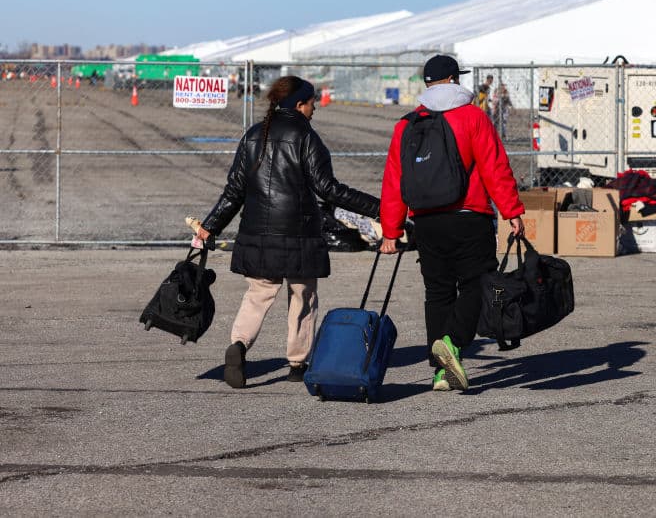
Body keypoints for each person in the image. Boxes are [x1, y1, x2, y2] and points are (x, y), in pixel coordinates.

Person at [194, 75, 381, 389]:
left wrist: (208, 227)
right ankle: (297, 362)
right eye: (311, 103)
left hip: (256, 233)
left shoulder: (253, 135)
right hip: (299, 234)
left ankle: (238, 345)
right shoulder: (307, 137)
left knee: (258, 294)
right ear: (299, 104)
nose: (314, 109)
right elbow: (329, 189)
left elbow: (233, 192)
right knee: (302, 297)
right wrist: (378, 207)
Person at [379, 54, 524, 393]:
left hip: (426, 222)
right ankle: (453, 343)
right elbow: (494, 166)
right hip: (469, 216)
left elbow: (394, 179)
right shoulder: (472, 117)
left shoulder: (406, 124)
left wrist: (391, 230)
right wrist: (511, 210)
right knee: (479, 283)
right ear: (454, 79)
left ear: (428, 83)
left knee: (438, 293)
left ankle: (441, 373)